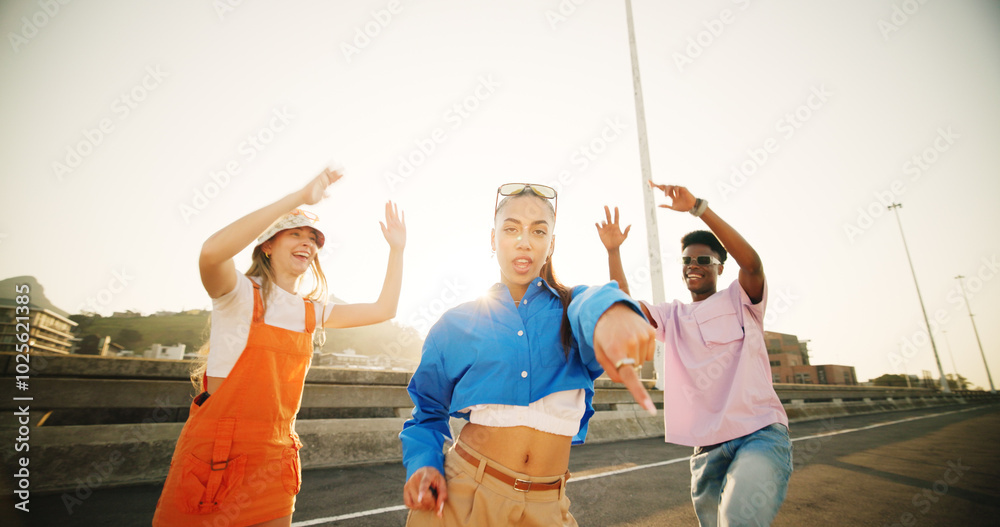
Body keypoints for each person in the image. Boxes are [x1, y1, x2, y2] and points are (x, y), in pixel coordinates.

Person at [152, 168, 406, 527]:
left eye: (313, 239)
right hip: (216, 455)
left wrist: (397, 250)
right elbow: (210, 253)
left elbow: (384, 310)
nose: (308, 242)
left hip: (274, 456)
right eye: (296, 234)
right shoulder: (237, 294)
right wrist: (299, 198)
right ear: (268, 245)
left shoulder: (310, 312)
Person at [400, 183, 657, 526]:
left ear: (551, 245)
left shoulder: (572, 308)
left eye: (538, 231)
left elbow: (595, 302)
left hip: (547, 507)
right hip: (463, 497)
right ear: (493, 241)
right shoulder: (455, 324)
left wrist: (614, 313)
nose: (524, 240)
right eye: (511, 228)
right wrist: (424, 464)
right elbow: (427, 413)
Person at [596, 182, 792, 526]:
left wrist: (698, 208)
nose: (694, 265)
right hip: (706, 451)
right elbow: (624, 307)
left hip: (759, 434)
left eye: (704, 259)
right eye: (687, 260)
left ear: (720, 266)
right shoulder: (673, 316)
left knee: (738, 518)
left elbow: (753, 263)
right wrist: (614, 252)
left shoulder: (742, 299)